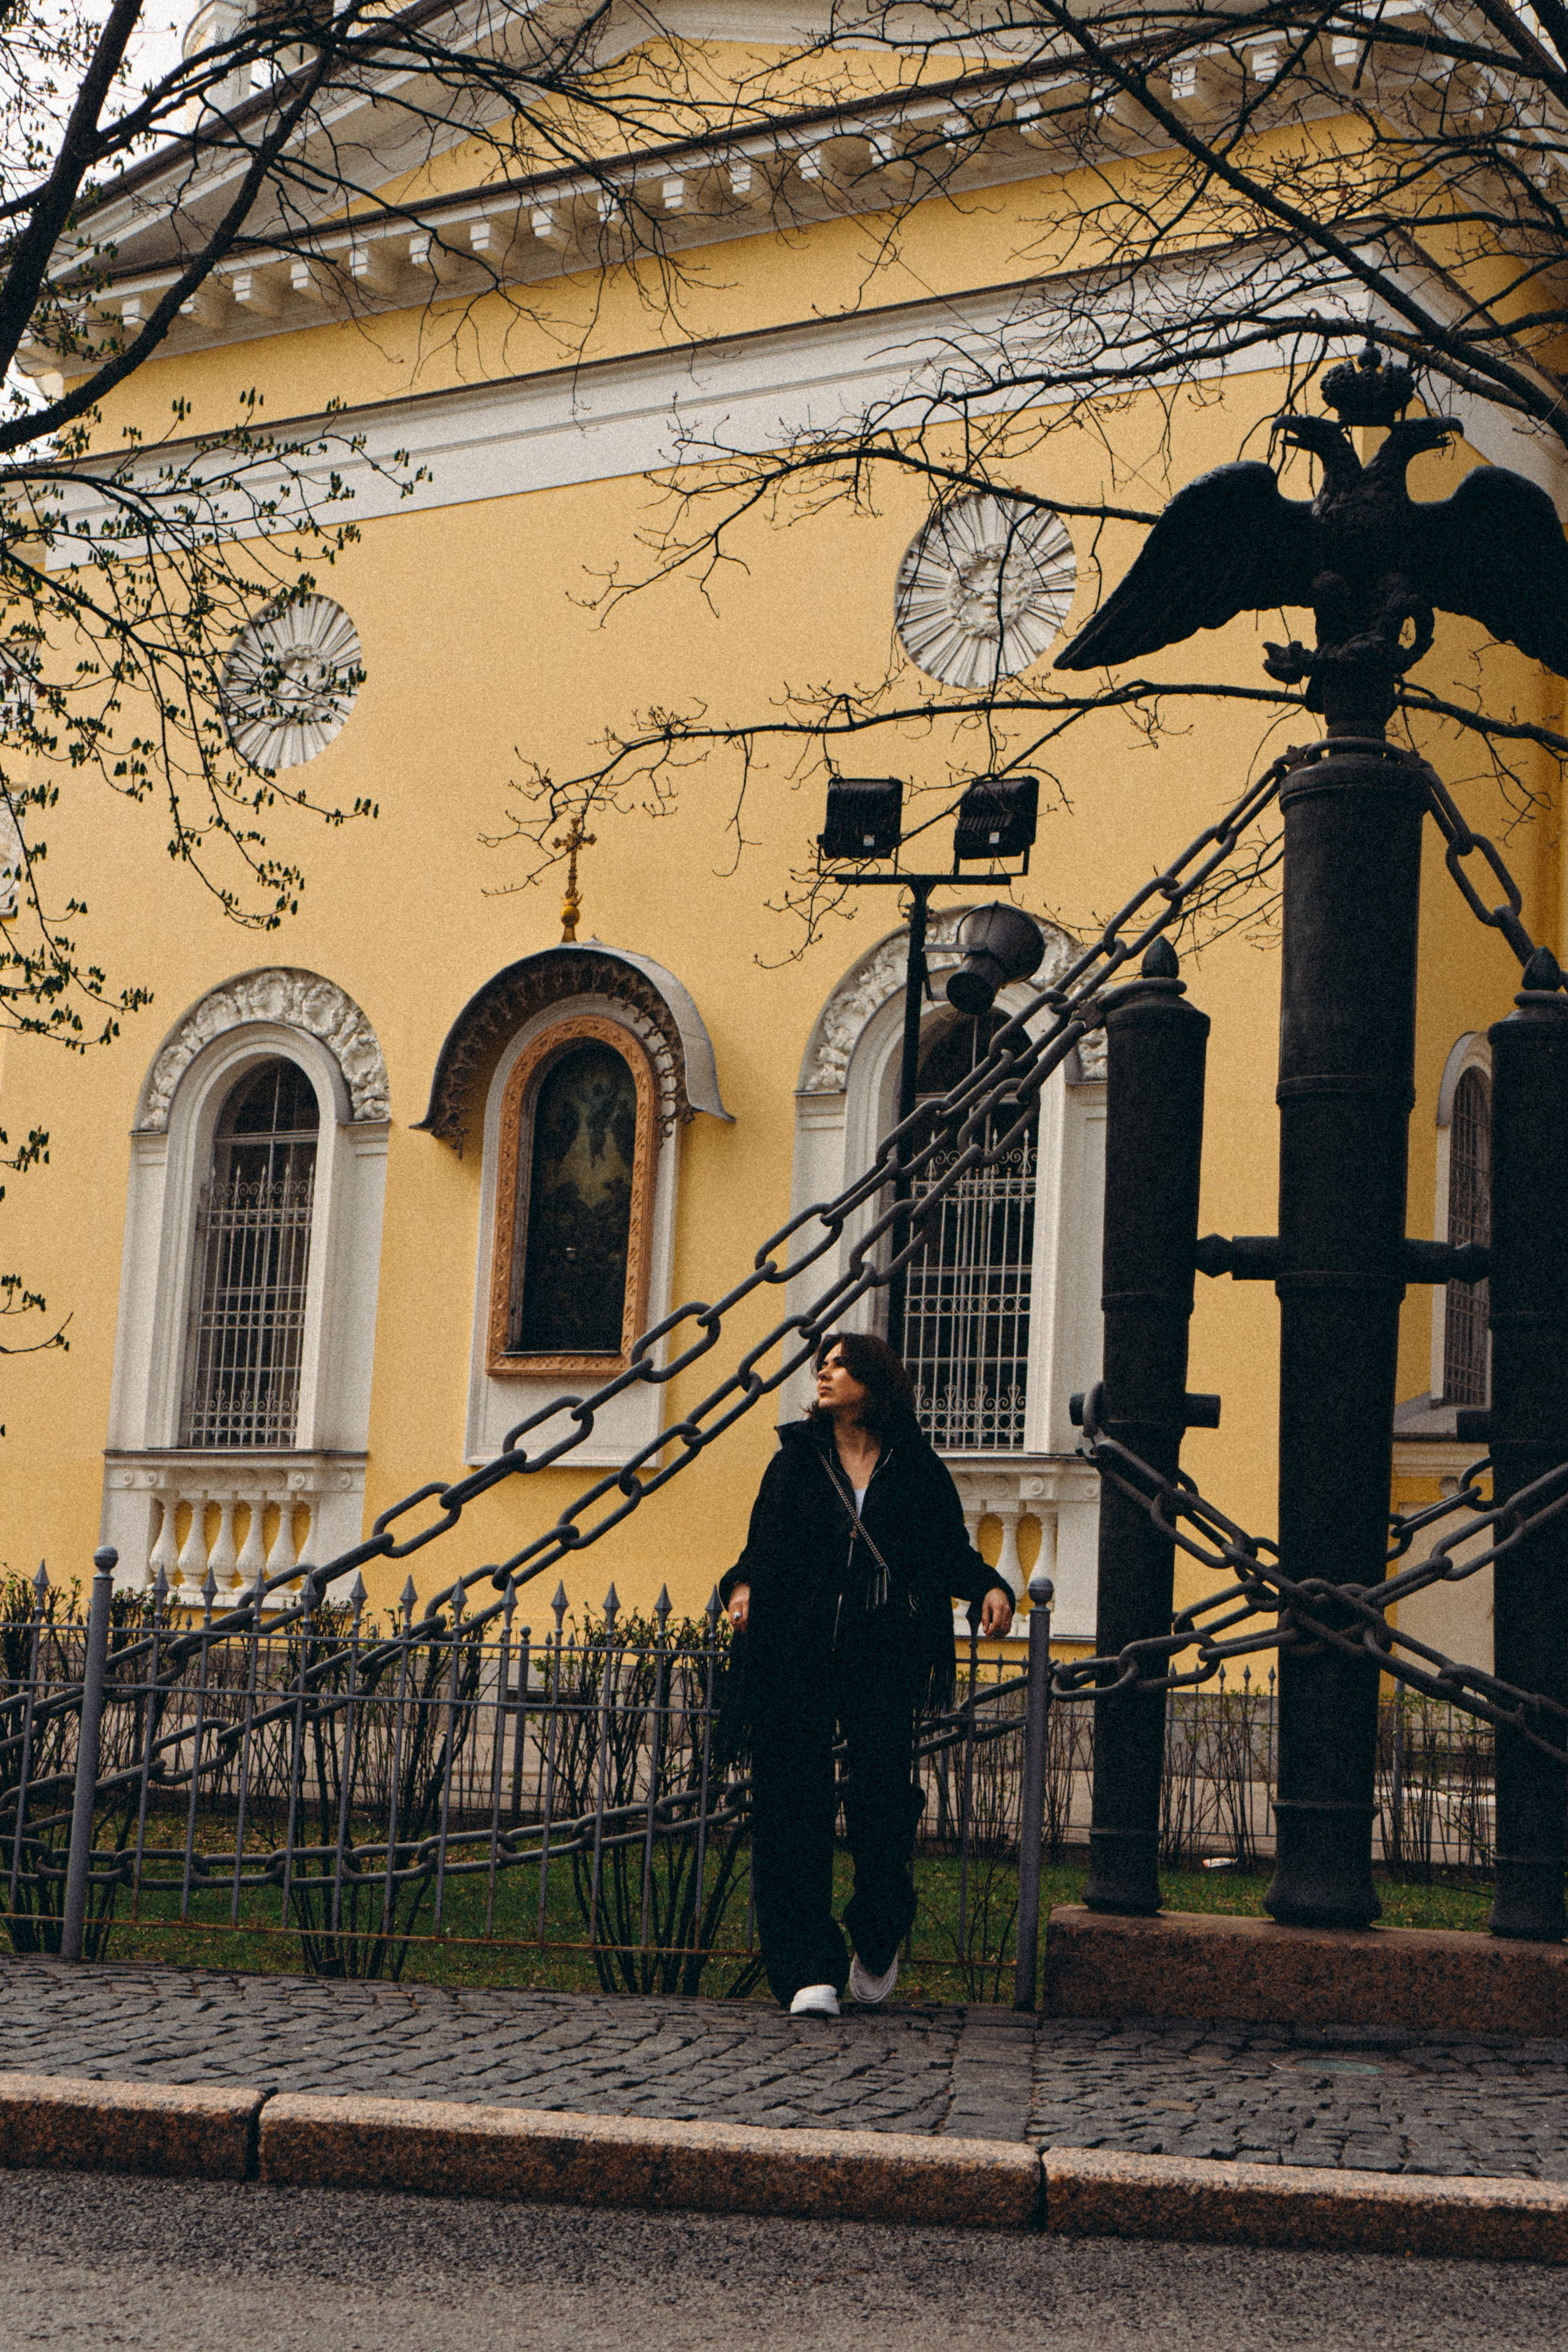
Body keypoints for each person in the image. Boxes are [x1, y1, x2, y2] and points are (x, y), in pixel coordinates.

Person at [719, 1332, 1016, 2016]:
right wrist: (742, 1586)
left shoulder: (915, 1467)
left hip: (882, 1653)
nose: (824, 1375)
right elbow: (762, 1546)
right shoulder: (796, 1462)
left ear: (874, 1381)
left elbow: (946, 1550)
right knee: (793, 1803)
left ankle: (879, 1930)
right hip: (797, 1652)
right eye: (821, 1366)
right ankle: (806, 1968)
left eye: (839, 1365)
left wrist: (988, 1585)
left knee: (882, 1802)